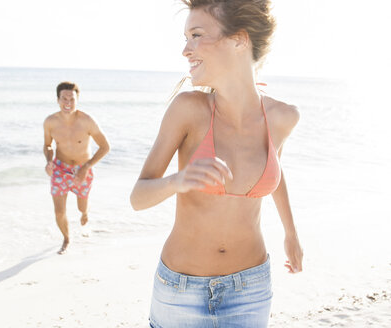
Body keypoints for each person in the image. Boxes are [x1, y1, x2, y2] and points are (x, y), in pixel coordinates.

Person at [130, 0, 303, 327]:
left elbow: (275, 174)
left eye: (196, 35)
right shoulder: (189, 110)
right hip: (181, 290)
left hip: (251, 287)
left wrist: (291, 234)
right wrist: (177, 181)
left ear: (239, 39)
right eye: (185, 38)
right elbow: (138, 197)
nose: (186, 50)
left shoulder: (282, 117)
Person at [44, 81, 110, 254]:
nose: (68, 103)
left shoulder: (87, 121)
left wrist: (86, 167)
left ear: (77, 99)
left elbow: (105, 147)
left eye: (71, 99)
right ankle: (66, 239)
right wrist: (49, 160)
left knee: (82, 207)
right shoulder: (50, 122)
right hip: (60, 169)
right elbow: (48, 145)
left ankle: (84, 214)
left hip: (83, 169)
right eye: (64, 98)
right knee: (59, 212)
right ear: (57, 99)